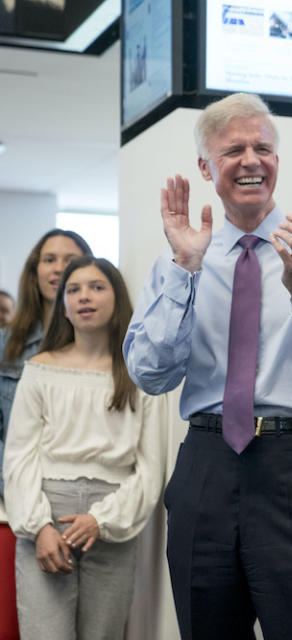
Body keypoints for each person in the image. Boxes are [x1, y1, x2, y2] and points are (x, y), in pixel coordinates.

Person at [123, 92, 292, 640]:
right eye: (233, 149)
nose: (250, 160)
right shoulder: (180, 255)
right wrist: (184, 270)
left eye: (262, 148)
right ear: (205, 167)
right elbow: (149, 373)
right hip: (207, 464)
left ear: (277, 162)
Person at [3, 256, 165, 639]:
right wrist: (39, 526)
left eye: (96, 287)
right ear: (63, 306)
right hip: (46, 520)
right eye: (73, 290)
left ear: (117, 298)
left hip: (112, 522)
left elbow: (151, 469)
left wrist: (102, 519)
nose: (84, 297)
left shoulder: (138, 372)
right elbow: (19, 457)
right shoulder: (41, 367)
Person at [0, 229, 92, 640]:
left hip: (83, 511)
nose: (59, 268)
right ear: (34, 271)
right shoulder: (8, 346)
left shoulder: (101, 347)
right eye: (49, 259)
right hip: (15, 508)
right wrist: (25, 507)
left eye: (69, 258)